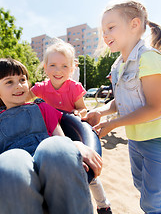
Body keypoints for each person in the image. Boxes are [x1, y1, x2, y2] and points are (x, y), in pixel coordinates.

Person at [0, 58, 102, 214]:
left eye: (22, 80)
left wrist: (75, 145)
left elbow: (61, 139)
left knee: (56, 148)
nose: (19, 86)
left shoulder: (42, 108)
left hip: (52, 169)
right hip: (19, 178)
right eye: (9, 82)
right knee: (10, 161)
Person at [83, 0, 161, 214]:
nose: (105, 34)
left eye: (111, 27)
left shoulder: (150, 59)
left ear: (134, 25)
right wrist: (100, 110)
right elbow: (122, 100)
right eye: (103, 30)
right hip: (136, 138)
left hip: (158, 138)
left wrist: (113, 123)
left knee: (151, 202)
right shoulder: (118, 65)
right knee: (141, 187)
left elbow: (154, 107)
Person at [31, 40, 112, 214]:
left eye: (64, 66)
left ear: (71, 69)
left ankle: (103, 204)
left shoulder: (74, 88)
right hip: (50, 134)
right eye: (52, 65)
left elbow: (82, 108)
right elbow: (20, 100)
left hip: (71, 133)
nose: (58, 70)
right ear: (45, 67)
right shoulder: (41, 88)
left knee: (86, 171)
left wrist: (78, 112)